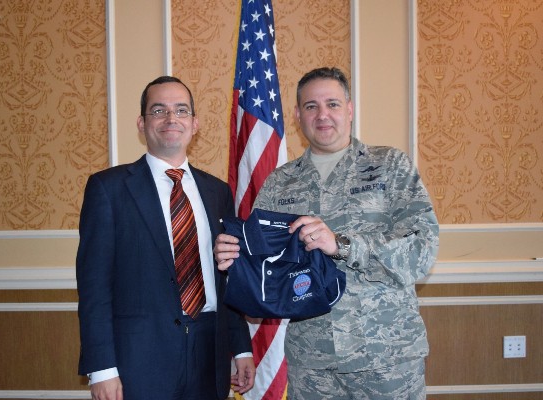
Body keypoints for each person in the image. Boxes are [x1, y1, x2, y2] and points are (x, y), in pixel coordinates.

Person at [214, 67, 439, 400]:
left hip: (385, 358)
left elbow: (422, 249)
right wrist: (235, 261)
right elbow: (265, 271)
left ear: (349, 109)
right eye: (311, 106)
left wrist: (343, 246)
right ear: (297, 116)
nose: (322, 115)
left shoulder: (390, 165)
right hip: (313, 363)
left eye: (332, 104)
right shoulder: (280, 183)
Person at [76, 76, 255, 400]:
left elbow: (228, 278)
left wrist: (240, 348)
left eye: (181, 110)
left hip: (209, 352)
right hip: (138, 359)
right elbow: (94, 287)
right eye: (159, 110)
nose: (171, 119)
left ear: (194, 123)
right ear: (142, 124)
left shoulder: (217, 192)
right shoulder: (109, 189)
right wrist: (101, 368)